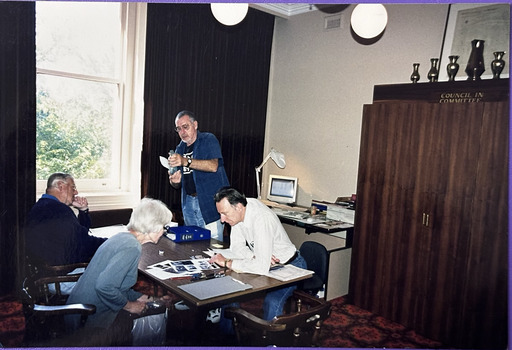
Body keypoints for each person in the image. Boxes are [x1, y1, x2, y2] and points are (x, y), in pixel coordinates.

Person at [65, 197, 173, 346]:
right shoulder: (132, 247)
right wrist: (130, 305)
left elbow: (118, 285)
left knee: (151, 307)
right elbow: (104, 287)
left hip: (80, 311)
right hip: (89, 318)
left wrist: (148, 298)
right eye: (163, 226)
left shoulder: (123, 238)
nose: (163, 231)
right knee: (143, 320)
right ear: (153, 227)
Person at [209, 187, 307, 321]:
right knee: (229, 292)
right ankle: (229, 338)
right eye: (220, 214)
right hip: (269, 265)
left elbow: (261, 266)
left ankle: (270, 340)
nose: (222, 219)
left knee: (272, 301)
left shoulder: (261, 218)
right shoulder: (239, 212)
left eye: (224, 213)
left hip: (290, 265)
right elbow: (237, 248)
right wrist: (255, 255)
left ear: (238, 207)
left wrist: (228, 262)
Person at [168, 110, 230, 241]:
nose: (182, 132)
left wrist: (185, 161)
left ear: (195, 124)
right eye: (178, 129)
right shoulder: (180, 148)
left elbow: (213, 166)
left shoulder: (208, 139)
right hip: (188, 203)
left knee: (212, 244)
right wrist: (174, 181)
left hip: (208, 202)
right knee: (190, 245)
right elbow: (177, 183)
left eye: (185, 127)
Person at [25, 173, 106, 266]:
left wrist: (83, 211)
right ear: (60, 186)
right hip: (63, 274)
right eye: (73, 188)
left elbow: (80, 235)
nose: (76, 192)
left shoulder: (45, 206)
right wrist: (109, 242)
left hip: (49, 270)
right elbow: (84, 244)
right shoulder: (58, 210)